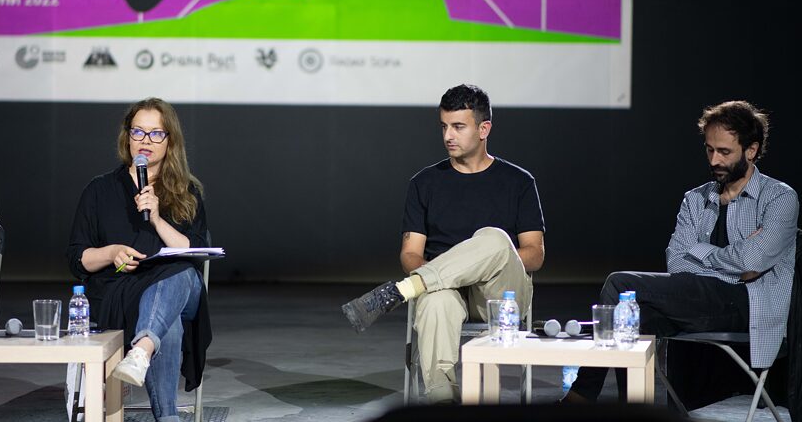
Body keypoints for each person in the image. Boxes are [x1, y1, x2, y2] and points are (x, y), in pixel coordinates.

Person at [563, 100, 798, 403]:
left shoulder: (779, 198)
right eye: (709, 150)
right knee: (634, 319)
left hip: (748, 306)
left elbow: (752, 261)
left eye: (724, 152)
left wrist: (700, 252)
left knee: (620, 283)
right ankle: (631, 406)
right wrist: (735, 263)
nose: (714, 159)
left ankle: (582, 395)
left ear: (751, 150)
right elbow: (676, 261)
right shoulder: (695, 199)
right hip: (701, 301)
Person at [342, 84, 546, 404]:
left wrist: (490, 257)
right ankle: (442, 402)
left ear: (484, 129)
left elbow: (534, 254)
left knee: (493, 239)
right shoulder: (424, 183)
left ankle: (404, 290)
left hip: (499, 294)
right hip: (445, 290)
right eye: (444, 126)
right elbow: (410, 254)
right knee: (436, 302)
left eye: (458, 127)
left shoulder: (518, 181)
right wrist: (448, 275)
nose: (448, 135)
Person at [67, 98, 211, 422]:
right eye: (138, 132)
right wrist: (110, 253)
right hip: (119, 292)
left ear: (170, 140)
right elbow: (77, 259)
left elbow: (197, 252)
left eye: (156, 133)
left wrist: (157, 219)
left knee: (180, 273)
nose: (145, 140)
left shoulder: (186, 192)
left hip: (177, 288)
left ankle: (141, 350)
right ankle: (165, 409)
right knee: (167, 322)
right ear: (127, 136)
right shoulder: (99, 190)